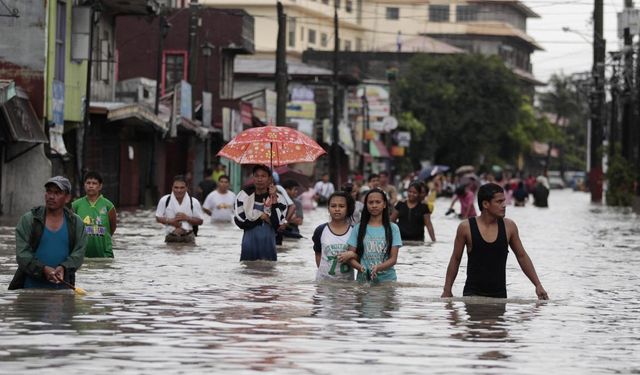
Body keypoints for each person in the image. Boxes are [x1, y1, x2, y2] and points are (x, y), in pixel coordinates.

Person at [441, 183, 549, 300]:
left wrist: (538, 285)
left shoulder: (509, 227)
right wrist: (447, 290)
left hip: (500, 296)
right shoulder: (465, 227)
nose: (504, 205)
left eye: (504, 201)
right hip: (472, 295)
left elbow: (522, 256)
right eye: (499, 202)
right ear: (486, 204)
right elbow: (455, 259)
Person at [9, 176, 87, 290]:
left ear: (67, 198)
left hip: (63, 292)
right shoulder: (29, 220)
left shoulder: (76, 223)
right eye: (49, 191)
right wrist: (43, 269)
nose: (51, 196)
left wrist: (64, 267)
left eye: (57, 193)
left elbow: (79, 254)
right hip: (30, 291)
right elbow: (22, 255)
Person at [340, 188, 402, 283]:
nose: (374, 205)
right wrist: (361, 268)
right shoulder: (358, 228)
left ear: (384, 204)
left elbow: (393, 259)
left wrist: (379, 268)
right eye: (370, 202)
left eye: (378, 202)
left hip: (387, 281)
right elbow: (350, 257)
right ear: (366, 205)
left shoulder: (393, 228)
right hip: (363, 281)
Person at [234, 165, 288, 261]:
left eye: (263, 176)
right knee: (247, 270)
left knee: (268, 271)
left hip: (269, 243)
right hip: (249, 243)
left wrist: (274, 200)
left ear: (269, 179)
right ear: (253, 178)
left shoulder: (279, 198)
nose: (260, 179)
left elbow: (278, 225)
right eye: (257, 176)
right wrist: (260, 218)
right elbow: (239, 222)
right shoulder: (243, 196)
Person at [71, 171, 117, 258]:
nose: (91, 186)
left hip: (104, 255)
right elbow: (71, 229)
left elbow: (112, 227)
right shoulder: (75, 205)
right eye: (88, 183)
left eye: (94, 183)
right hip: (82, 256)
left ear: (100, 186)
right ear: (84, 185)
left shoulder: (108, 206)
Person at [312, 192, 356, 281]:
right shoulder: (320, 230)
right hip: (324, 283)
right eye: (333, 206)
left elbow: (360, 255)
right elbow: (318, 253)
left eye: (341, 206)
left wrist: (351, 254)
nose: (337, 209)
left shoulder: (354, 231)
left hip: (347, 284)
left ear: (348, 209)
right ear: (328, 208)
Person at [155, 175, 205, 243]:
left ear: (186, 188)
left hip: (188, 237)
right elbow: (158, 218)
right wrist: (171, 221)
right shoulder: (165, 200)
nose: (179, 190)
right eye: (176, 187)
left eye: (182, 188)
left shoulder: (194, 202)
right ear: (172, 188)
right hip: (171, 236)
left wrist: (187, 218)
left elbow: (200, 221)